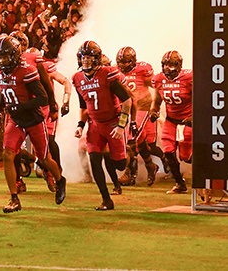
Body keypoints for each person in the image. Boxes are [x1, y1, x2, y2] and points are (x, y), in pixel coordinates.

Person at [0, 35, 66, 213]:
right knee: (7, 154)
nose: (2, 61)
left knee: (44, 158)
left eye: (5, 57)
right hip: (16, 119)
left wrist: (21, 106)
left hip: (33, 118)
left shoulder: (27, 70)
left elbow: (42, 98)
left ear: (16, 55)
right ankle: (14, 198)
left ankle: (60, 179)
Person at [73, 41, 133, 211]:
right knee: (94, 160)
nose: (86, 62)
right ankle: (106, 199)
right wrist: (80, 125)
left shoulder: (107, 74)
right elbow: (84, 107)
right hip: (95, 125)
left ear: (97, 59)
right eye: (83, 59)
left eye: (90, 59)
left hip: (114, 122)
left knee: (120, 164)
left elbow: (127, 101)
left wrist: (121, 126)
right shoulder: (77, 78)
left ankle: (126, 158)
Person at [115, 46, 159, 188]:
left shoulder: (143, 70)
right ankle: (150, 165)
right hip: (125, 109)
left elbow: (157, 86)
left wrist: (156, 106)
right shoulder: (114, 70)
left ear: (133, 61)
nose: (122, 65)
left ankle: (129, 174)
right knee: (139, 141)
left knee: (130, 138)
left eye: (126, 62)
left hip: (142, 107)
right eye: (120, 62)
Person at [150, 50, 192, 194]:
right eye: (165, 65)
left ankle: (210, 169)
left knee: (186, 157)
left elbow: (200, 98)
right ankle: (179, 183)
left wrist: (195, 117)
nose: (168, 68)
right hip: (171, 120)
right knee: (168, 151)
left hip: (187, 120)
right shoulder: (159, 79)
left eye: (171, 65)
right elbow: (156, 100)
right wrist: (154, 111)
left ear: (179, 66)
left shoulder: (189, 77)